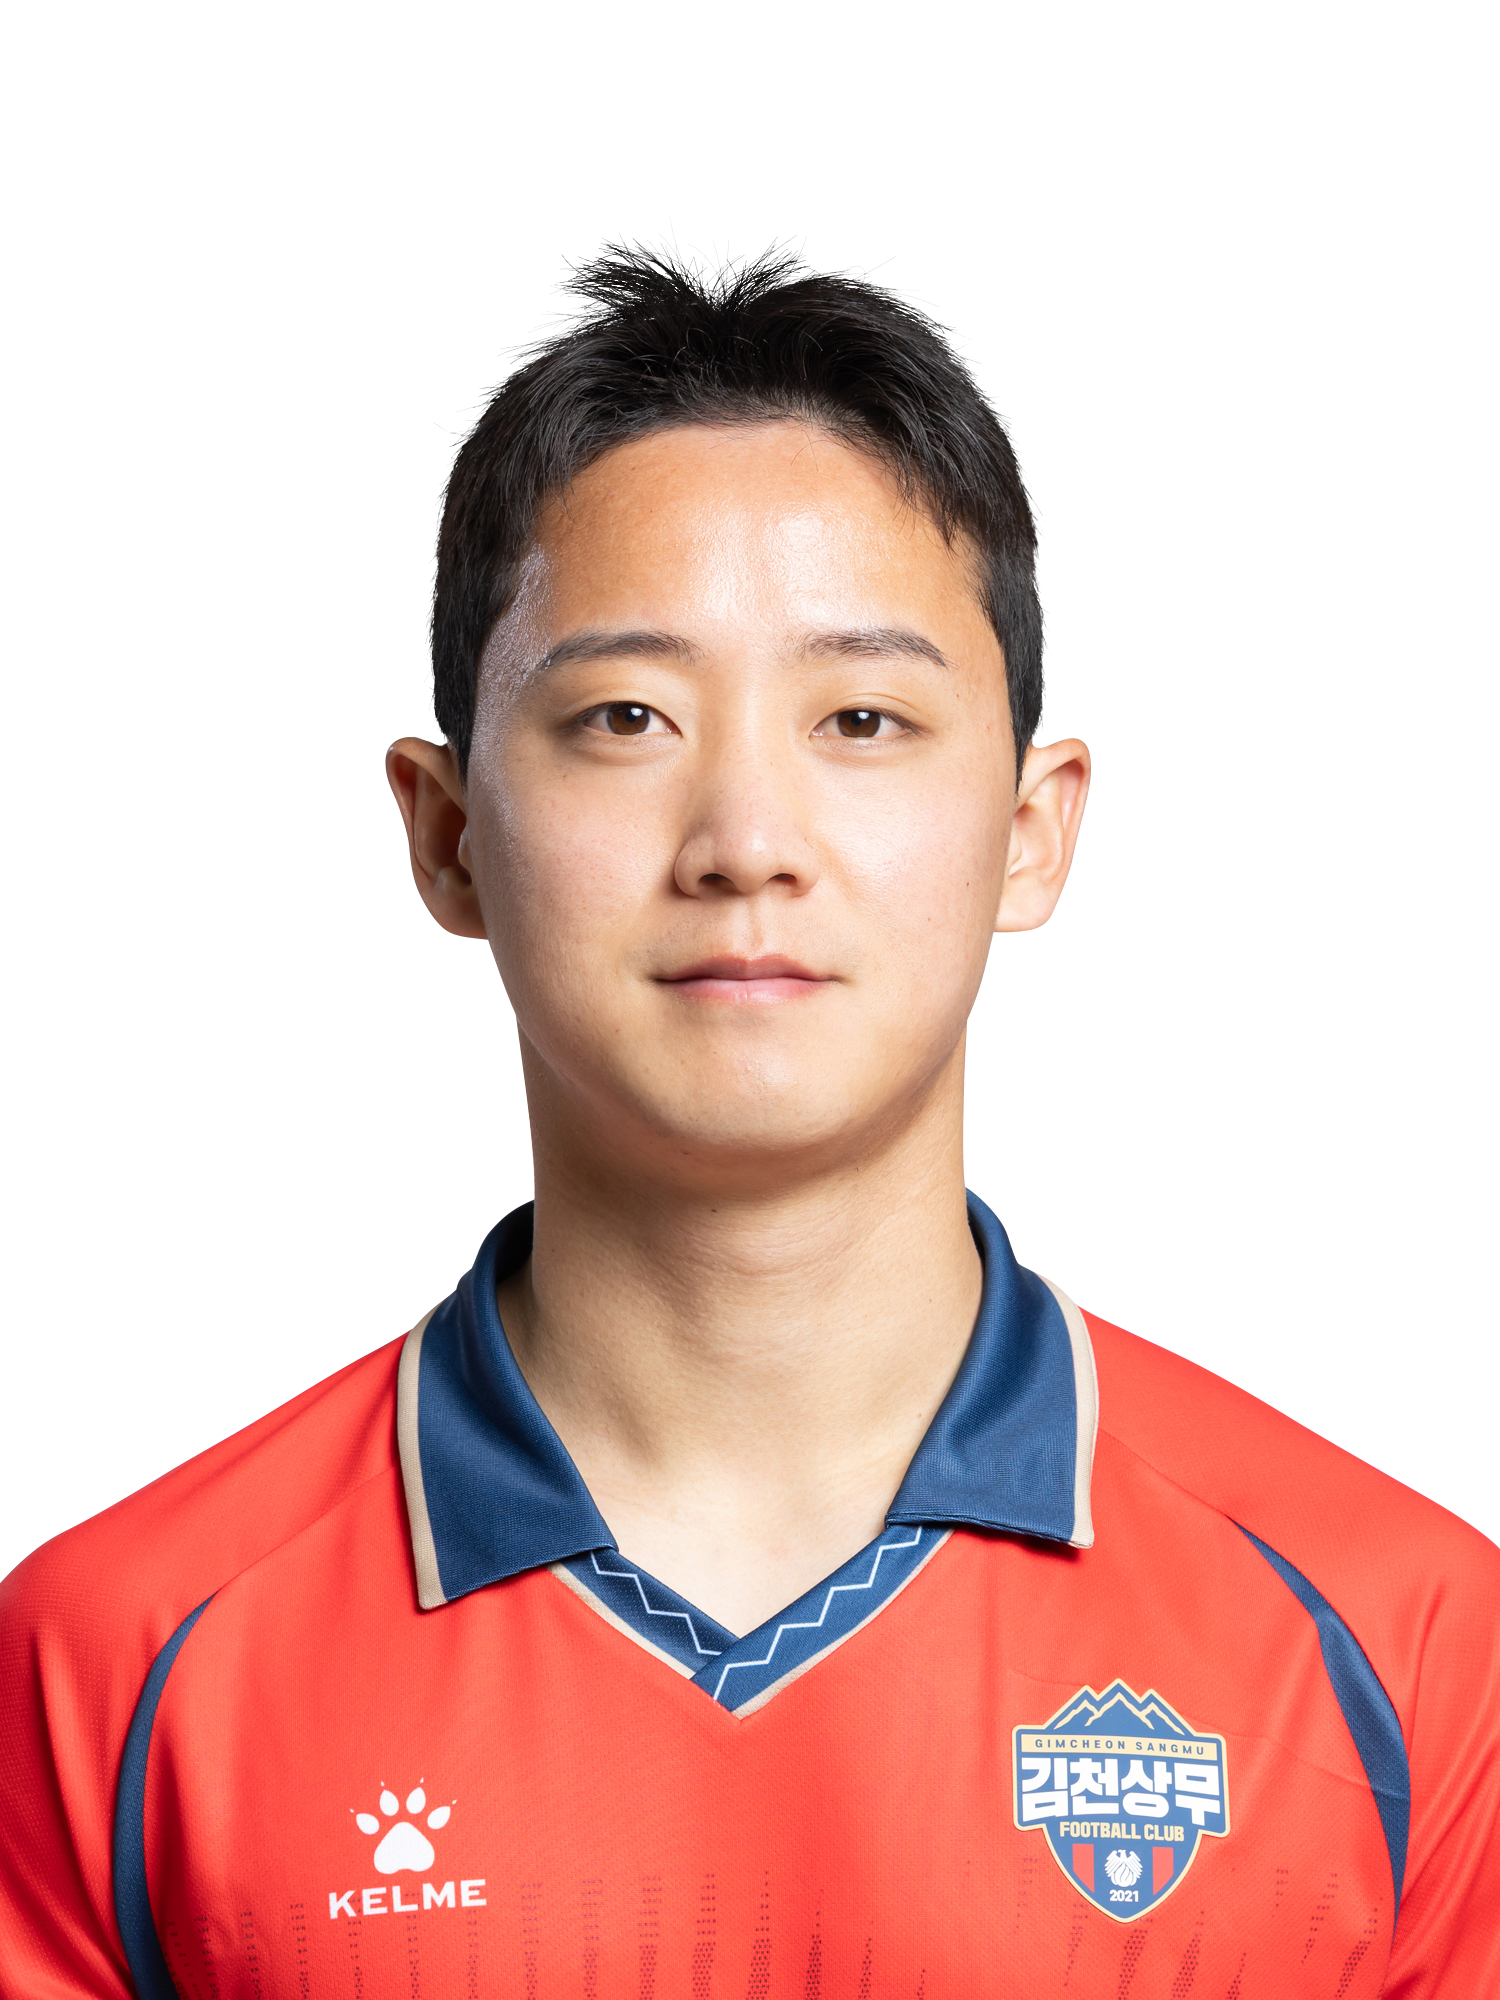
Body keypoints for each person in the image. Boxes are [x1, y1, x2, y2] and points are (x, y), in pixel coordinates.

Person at [1, 214, 1494, 1999]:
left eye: (861, 720)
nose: (748, 845)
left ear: (1033, 832)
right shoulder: (113, 1666)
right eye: (627, 717)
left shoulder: (1402, 1642)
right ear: (448, 833)